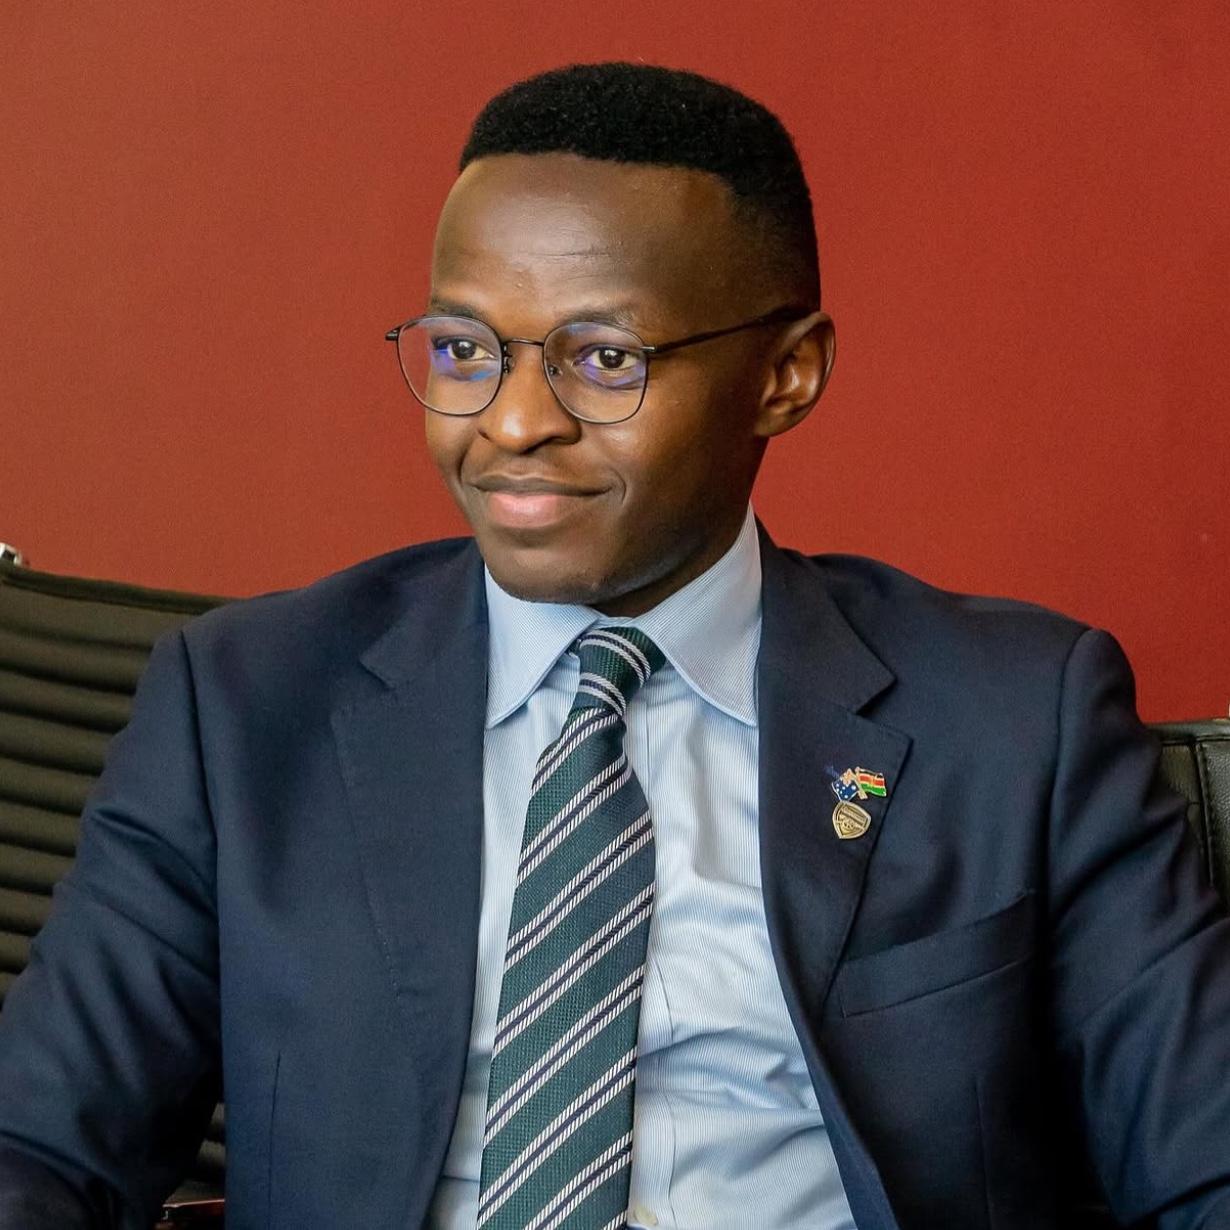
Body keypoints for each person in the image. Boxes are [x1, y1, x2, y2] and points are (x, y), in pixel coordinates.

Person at [1, 60, 1228, 1230]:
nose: (513, 423)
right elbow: (42, 1150)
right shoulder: (242, 706)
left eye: (603, 360)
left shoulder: (1016, 721)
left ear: (787, 375)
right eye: (465, 350)